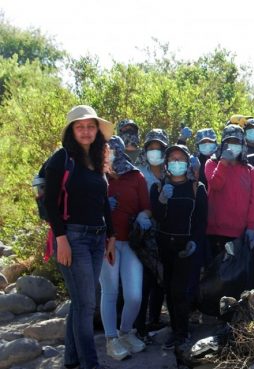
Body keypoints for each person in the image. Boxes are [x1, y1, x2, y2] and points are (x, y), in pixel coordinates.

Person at [45, 105, 115, 369]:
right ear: (71, 131)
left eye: (90, 126)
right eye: (79, 127)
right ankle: (91, 364)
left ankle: (72, 359)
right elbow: (51, 203)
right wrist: (61, 239)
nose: (86, 131)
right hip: (73, 238)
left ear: (97, 130)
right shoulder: (61, 159)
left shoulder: (97, 159)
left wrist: (111, 236)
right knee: (87, 305)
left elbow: (103, 202)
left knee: (81, 300)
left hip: (97, 239)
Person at [151, 144, 208, 349]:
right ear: (166, 163)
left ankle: (182, 333)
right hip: (165, 247)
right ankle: (175, 330)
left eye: (180, 159)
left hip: (187, 247)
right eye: (172, 158)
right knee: (168, 289)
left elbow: (201, 221)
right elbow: (157, 217)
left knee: (179, 291)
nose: (176, 162)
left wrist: (195, 241)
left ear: (187, 162)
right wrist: (161, 200)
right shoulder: (157, 187)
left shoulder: (197, 188)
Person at [101, 136, 150, 360]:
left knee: (134, 296)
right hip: (105, 242)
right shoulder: (96, 176)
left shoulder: (136, 176)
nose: (110, 155)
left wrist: (142, 216)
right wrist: (101, 209)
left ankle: (125, 331)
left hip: (130, 241)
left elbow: (148, 208)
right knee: (110, 292)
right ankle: (111, 340)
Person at [204, 124, 254, 259]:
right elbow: (216, 184)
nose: (232, 145)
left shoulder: (249, 169)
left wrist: (252, 226)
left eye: (236, 142)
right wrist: (223, 162)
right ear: (223, 144)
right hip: (215, 231)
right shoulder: (211, 164)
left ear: (242, 145)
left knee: (236, 274)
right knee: (216, 275)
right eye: (229, 142)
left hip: (240, 232)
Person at [135, 128, 169, 338]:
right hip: (144, 231)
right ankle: (139, 326)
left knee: (161, 279)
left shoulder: (173, 171)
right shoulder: (139, 172)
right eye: (151, 148)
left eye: (159, 148)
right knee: (144, 279)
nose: (155, 152)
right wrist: (141, 216)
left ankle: (154, 319)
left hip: (166, 230)